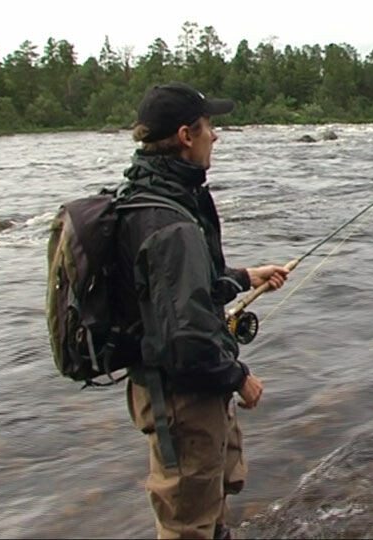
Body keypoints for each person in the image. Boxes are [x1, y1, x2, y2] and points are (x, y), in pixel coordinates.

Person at [113, 82, 289, 539]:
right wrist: (239, 378)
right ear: (187, 135)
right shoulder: (171, 222)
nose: (216, 135)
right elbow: (187, 338)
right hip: (181, 397)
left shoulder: (152, 199)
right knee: (187, 523)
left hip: (172, 389)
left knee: (208, 506)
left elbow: (183, 290)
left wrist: (247, 276)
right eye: (210, 125)